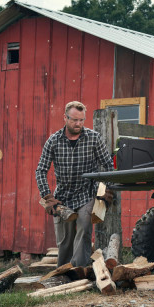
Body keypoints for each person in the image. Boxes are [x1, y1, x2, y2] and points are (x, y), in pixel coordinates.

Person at [35, 101, 113, 268]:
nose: (78, 124)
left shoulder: (93, 138)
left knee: (84, 227)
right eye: (74, 120)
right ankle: (64, 271)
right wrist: (47, 196)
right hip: (63, 196)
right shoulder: (53, 141)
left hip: (86, 193)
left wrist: (106, 188)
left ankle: (79, 270)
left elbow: (108, 165)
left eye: (81, 120)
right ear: (65, 118)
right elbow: (41, 170)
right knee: (65, 239)